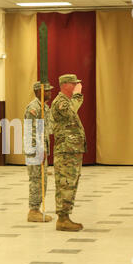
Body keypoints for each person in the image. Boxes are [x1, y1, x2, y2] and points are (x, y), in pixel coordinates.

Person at [51, 74, 86, 232]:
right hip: (66, 152)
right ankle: (63, 219)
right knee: (65, 183)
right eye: (74, 84)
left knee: (70, 183)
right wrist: (78, 95)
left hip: (71, 151)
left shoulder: (66, 101)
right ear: (66, 85)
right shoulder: (60, 102)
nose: (77, 86)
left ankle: (65, 217)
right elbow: (72, 111)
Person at [24, 82, 54, 223]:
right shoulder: (33, 108)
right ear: (38, 92)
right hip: (35, 149)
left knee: (43, 180)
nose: (49, 93)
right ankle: (33, 210)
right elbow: (32, 132)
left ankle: (36, 209)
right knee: (36, 180)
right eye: (47, 91)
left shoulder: (44, 108)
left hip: (42, 148)